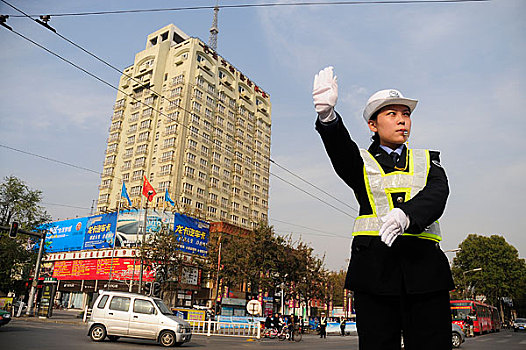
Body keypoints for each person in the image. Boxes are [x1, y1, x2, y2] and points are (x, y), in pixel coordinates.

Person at [313, 67, 454, 350]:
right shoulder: (360, 162)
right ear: (373, 125)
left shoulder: (428, 160)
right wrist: (328, 118)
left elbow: (439, 193)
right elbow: (342, 151)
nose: (402, 121)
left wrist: (407, 215)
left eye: (406, 114)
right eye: (392, 114)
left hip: (425, 274)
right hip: (375, 274)